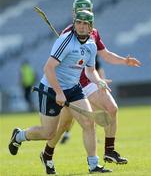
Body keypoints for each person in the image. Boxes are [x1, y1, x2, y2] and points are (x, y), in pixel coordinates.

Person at [39, 0, 141, 175]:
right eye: (79, 12)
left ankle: (108, 152)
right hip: (72, 85)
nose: (83, 21)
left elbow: (105, 55)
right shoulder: (67, 34)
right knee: (62, 126)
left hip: (87, 82)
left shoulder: (93, 33)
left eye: (88, 10)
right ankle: (47, 154)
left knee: (111, 109)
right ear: (74, 13)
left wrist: (124, 61)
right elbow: (54, 64)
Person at [8, 10, 112, 174]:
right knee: (49, 133)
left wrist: (98, 81)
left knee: (88, 122)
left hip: (73, 88)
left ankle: (94, 165)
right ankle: (19, 136)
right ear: (75, 23)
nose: (82, 26)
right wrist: (59, 93)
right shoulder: (65, 41)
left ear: (91, 26)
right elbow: (48, 68)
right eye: (79, 22)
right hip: (50, 88)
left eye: (86, 23)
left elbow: (90, 71)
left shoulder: (91, 45)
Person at [60, 56, 105, 144]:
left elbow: (98, 68)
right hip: (73, 89)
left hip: (88, 87)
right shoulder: (72, 53)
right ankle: (66, 132)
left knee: (90, 114)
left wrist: (101, 81)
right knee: (70, 114)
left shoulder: (92, 52)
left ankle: (92, 136)